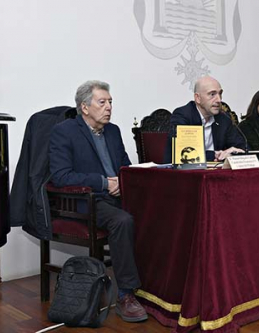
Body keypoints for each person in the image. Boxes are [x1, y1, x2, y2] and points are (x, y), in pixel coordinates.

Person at [49, 80, 147, 323]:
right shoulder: (64, 131)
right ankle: (126, 294)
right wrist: (104, 183)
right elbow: (61, 177)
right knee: (122, 221)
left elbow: (123, 166)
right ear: (84, 107)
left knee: (159, 211)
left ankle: (155, 285)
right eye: (102, 102)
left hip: (116, 195)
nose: (109, 107)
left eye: (111, 102)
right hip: (87, 201)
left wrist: (123, 182)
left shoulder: (113, 131)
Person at [163, 76, 245, 163]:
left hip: (215, 172)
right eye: (212, 94)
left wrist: (234, 152)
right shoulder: (182, 115)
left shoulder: (223, 118)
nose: (219, 99)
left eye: (220, 93)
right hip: (181, 173)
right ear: (198, 98)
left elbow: (243, 147)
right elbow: (186, 152)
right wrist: (216, 155)